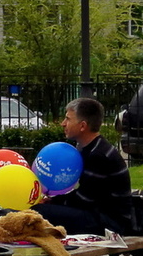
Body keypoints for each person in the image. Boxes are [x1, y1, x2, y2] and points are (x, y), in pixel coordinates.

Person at [33, 97, 134, 236]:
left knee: (39, 212)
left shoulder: (98, 155)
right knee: (42, 210)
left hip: (111, 223)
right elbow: (85, 196)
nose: (63, 124)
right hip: (100, 214)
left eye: (68, 119)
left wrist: (53, 202)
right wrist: (54, 201)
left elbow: (84, 200)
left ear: (82, 126)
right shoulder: (92, 148)